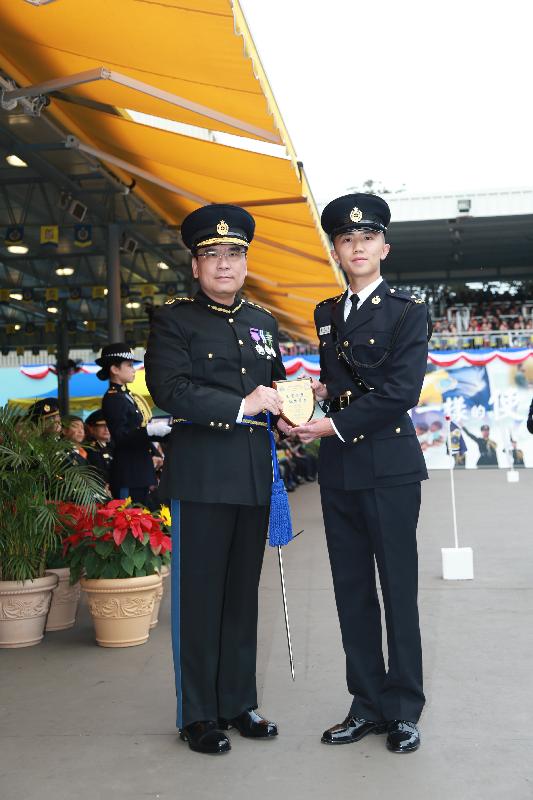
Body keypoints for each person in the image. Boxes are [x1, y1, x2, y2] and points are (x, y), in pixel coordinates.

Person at [145, 203, 289, 756]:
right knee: (199, 601)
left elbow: (270, 387)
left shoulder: (263, 323)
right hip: (202, 477)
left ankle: (238, 703)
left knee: (239, 600)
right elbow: (170, 390)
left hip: (253, 476)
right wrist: (242, 403)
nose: (224, 264)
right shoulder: (174, 319)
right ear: (195, 264)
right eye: (212, 254)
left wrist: (295, 400)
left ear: (246, 262)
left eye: (234, 254)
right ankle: (199, 715)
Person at [291, 193, 431, 754]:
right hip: (341, 471)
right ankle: (366, 703)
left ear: (383, 247)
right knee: (351, 591)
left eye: (366, 238)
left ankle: (403, 710)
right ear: (337, 251)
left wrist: (328, 426)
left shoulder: (407, 310)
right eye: (347, 240)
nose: (357, 247)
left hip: (390, 467)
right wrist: (314, 396)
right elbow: (345, 383)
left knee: (398, 591)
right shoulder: (326, 313)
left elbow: (400, 392)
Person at [96, 343, 171, 504]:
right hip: (129, 473)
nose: (133, 369)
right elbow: (121, 436)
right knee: (131, 523)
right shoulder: (113, 398)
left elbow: (136, 432)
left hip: (140, 471)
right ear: (115, 369)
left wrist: (156, 448)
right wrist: (149, 431)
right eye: (129, 365)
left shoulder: (125, 395)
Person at [84, 409, 114, 487]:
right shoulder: (90, 449)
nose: (106, 429)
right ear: (91, 429)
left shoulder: (111, 446)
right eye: (102, 426)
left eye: (108, 425)